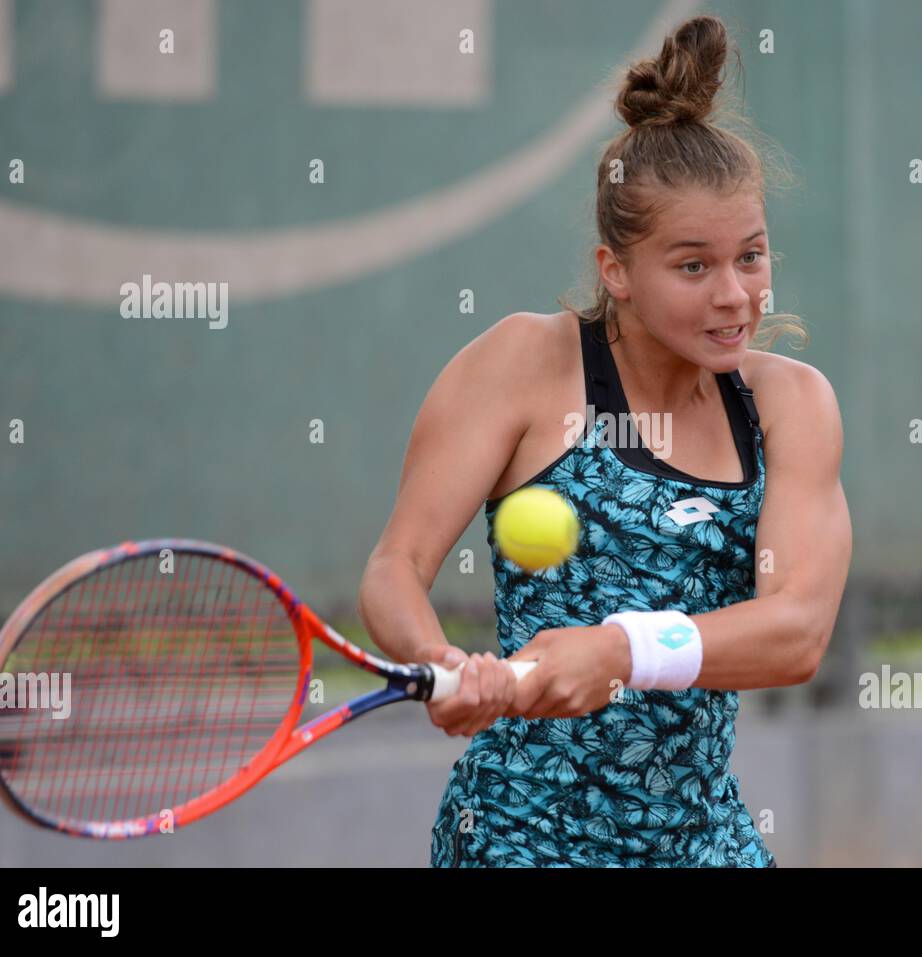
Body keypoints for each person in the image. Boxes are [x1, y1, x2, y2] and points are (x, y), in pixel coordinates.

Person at [358, 14, 851, 867]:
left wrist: (621, 648)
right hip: (516, 834)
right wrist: (441, 663)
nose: (735, 294)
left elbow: (797, 632)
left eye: (753, 257)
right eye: (693, 266)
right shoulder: (521, 363)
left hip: (704, 838)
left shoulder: (790, 406)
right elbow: (394, 567)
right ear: (616, 271)